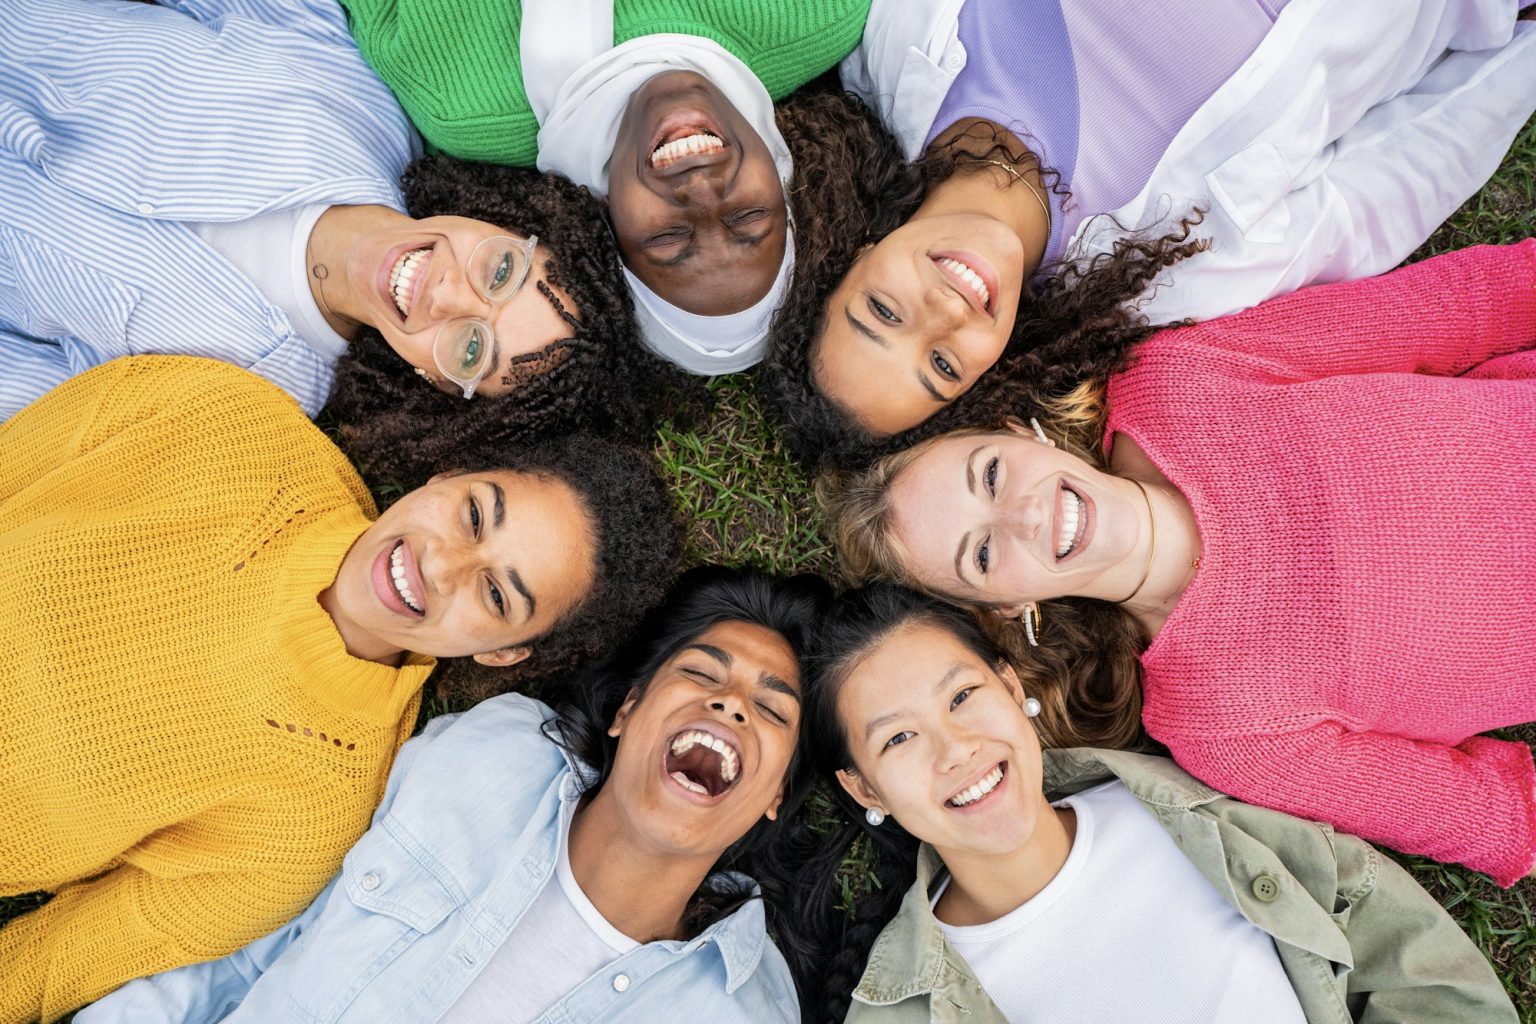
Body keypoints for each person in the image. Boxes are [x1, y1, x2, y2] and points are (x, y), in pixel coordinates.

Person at [818, 238, 1536, 886]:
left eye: (992, 475)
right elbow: (1493, 817)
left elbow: (1464, 306)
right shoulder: (1220, 726)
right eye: (980, 552)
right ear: (1007, 607)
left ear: (1022, 434)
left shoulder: (1178, 381)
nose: (1025, 515)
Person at [0, 355, 681, 1023]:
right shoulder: (233, 426)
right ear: (453, 472)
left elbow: (50, 961)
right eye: (474, 516)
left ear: (502, 652)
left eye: (496, 592)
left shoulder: (305, 822)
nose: (441, 564)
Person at [760, 0, 1536, 466]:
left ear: (852, 254)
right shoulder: (1172, 270)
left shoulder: (895, 46)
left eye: (884, 313)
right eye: (940, 365)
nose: (942, 314)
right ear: (983, 379)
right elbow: (1395, 177)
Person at [78, 566, 831, 1023]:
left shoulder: (740, 1010)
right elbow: (244, 953)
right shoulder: (491, 758)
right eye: (702, 673)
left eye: (771, 709)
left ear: (773, 796)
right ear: (627, 711)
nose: (731, 705)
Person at [783, 584, 1518, 1023]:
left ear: (1013, 690)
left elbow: (1413, 962)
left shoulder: (1188, 813)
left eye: (964, 696)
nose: (955, 749)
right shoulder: (903, 1007)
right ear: (865, 788)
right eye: (901, 738)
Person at [0, 0, 679, 450]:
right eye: (501, 270)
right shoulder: (353, 92)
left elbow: (41, 398)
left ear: (436, 384)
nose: (448, 295)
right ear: (504, 219)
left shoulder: (252, 400)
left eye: (471, 349)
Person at [339, 0, 872, 373]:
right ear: (784, 179)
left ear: (603, 219)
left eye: (668, 239)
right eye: (749, 218)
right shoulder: (820, 14)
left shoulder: (463, 105)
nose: (703, 194)